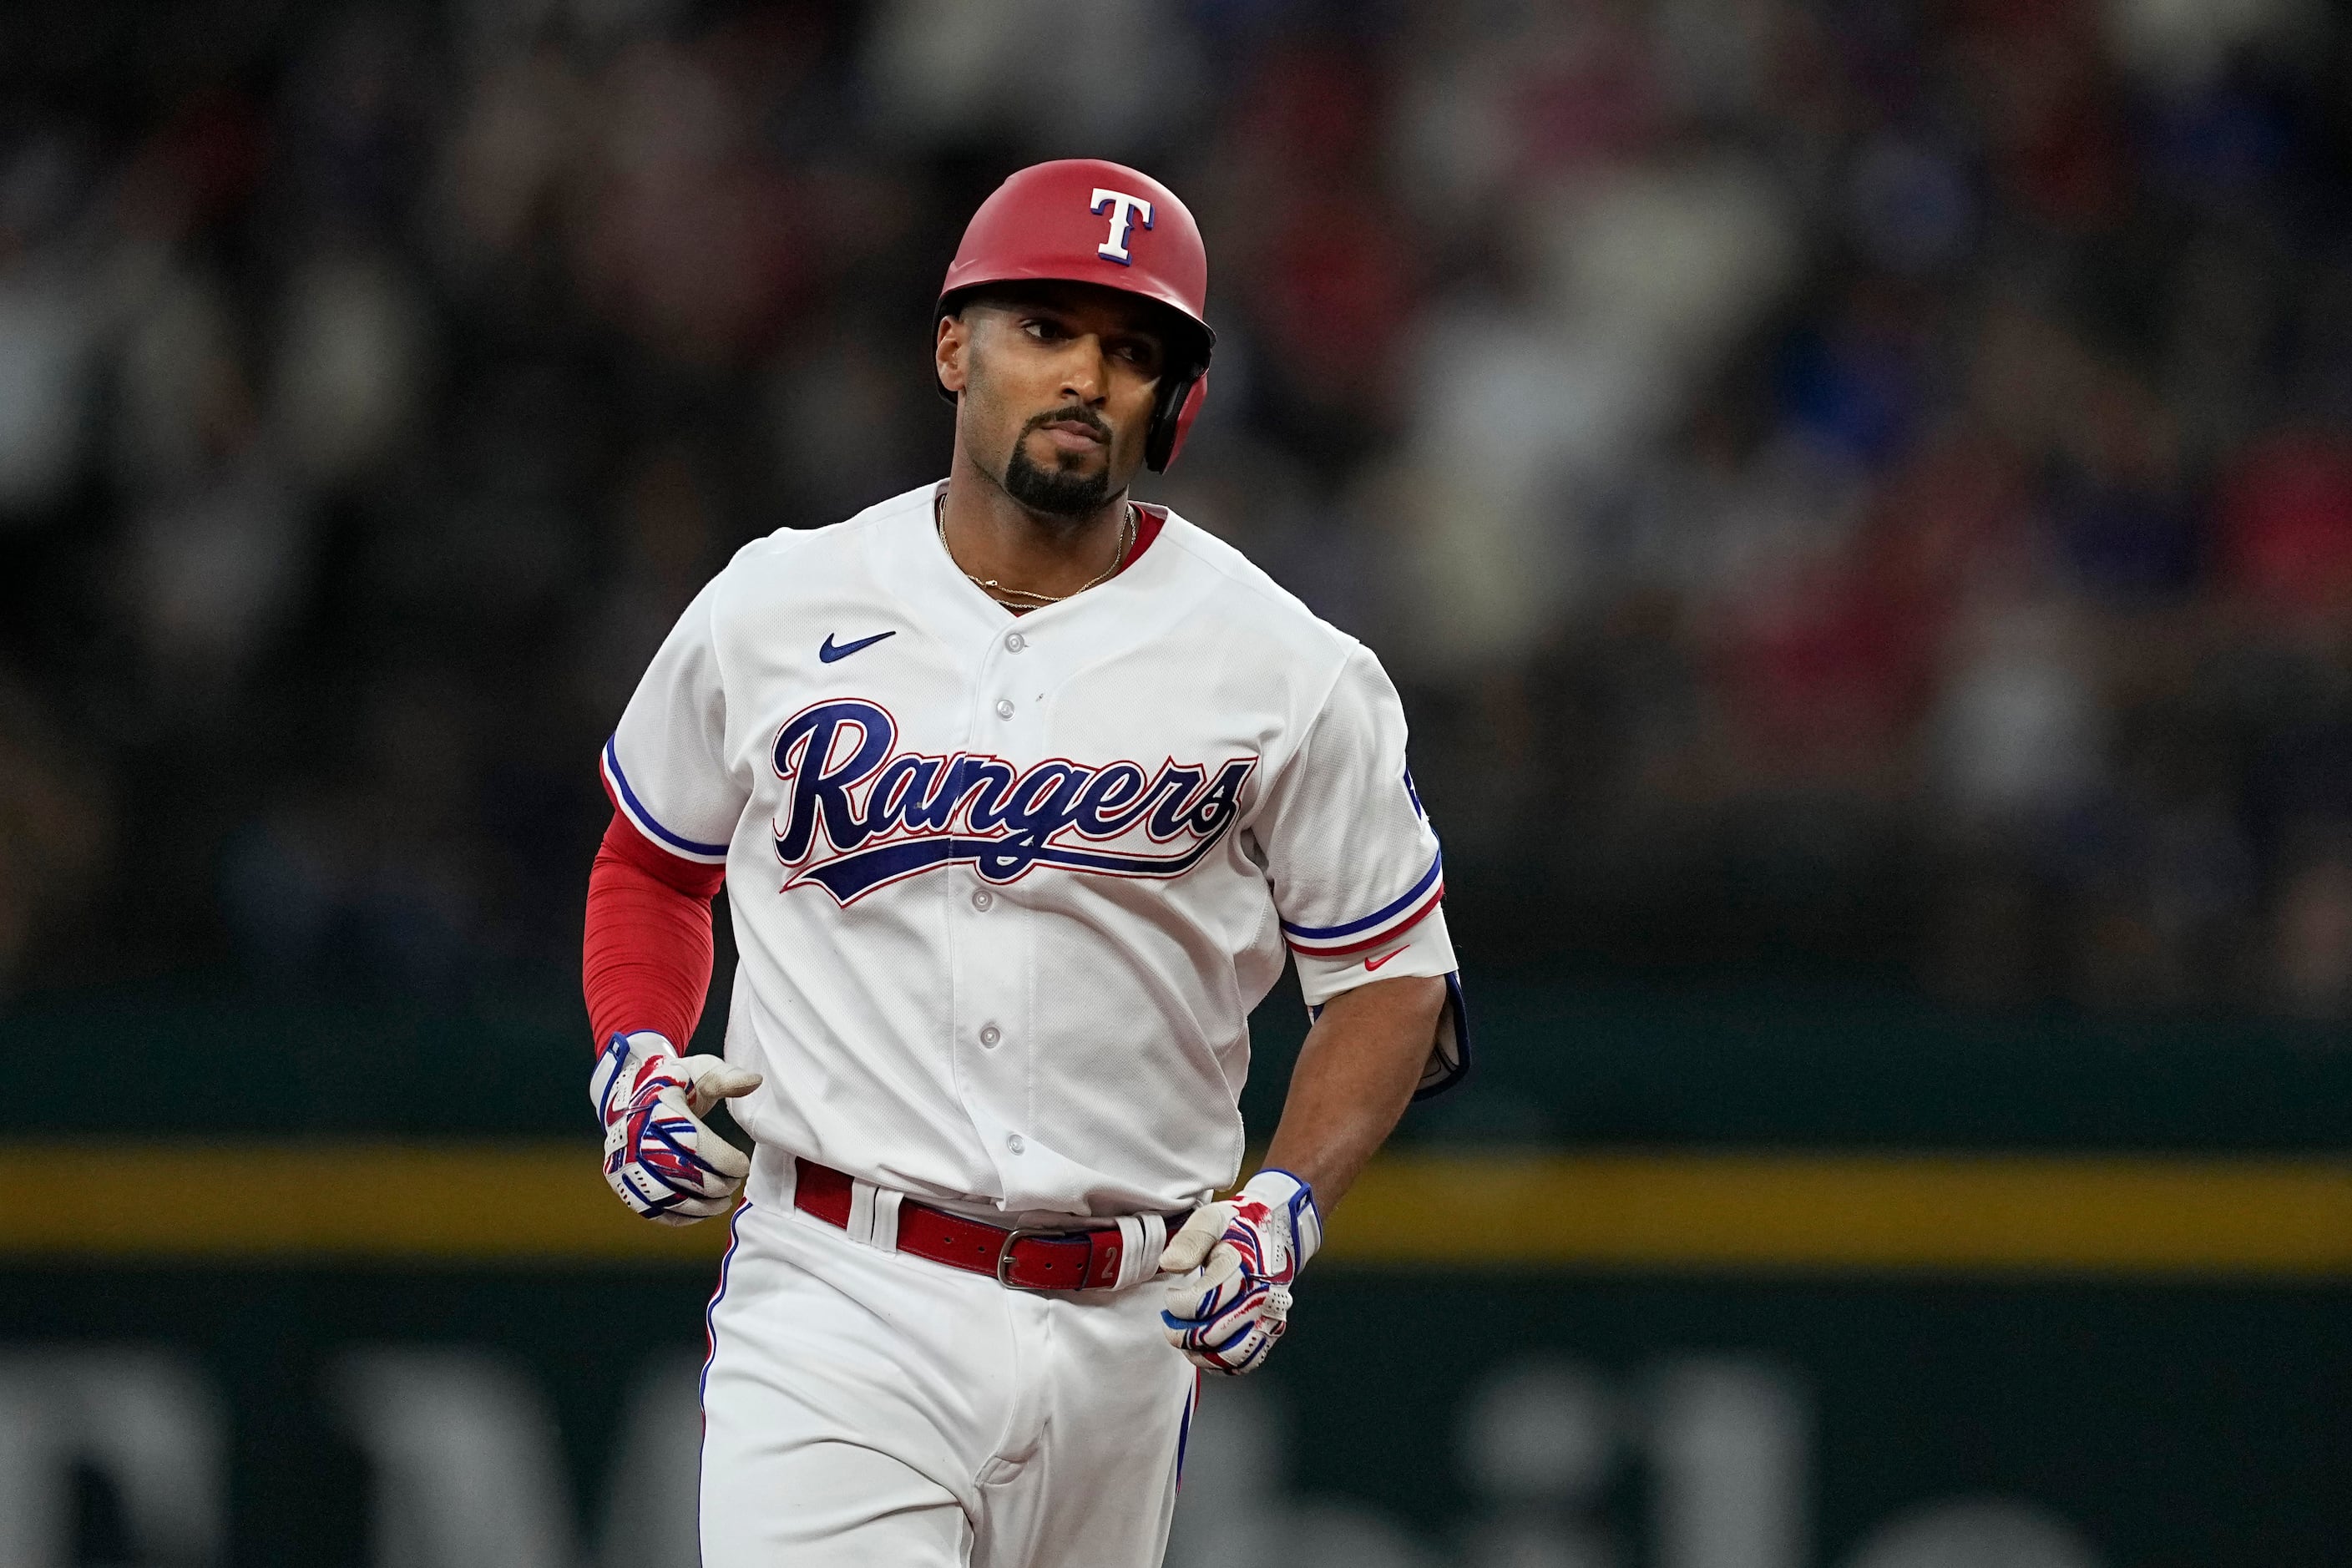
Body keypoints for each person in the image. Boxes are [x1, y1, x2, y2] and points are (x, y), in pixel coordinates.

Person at [580, 157, 1466, 1568]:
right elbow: (653, 860)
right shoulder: (778, 601)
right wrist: (634, 1045)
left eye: (1130, 351)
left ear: (1171, 400)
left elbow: (1388, 976)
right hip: (836, 1285)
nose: (1084, 376)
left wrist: (1285, 1206)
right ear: (953, 346)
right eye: (1043, 328)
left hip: (1128, 1328)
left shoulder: (1288, 666)